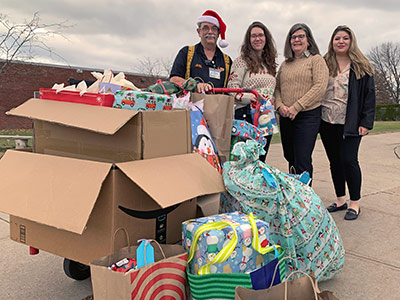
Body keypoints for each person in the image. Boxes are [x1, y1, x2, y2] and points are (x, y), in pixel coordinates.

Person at [321, 25, 375, 220]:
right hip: (326, 120)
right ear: (332, 41)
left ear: (351, 41)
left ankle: (354, 202)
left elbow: (369, 97)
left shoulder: (362, 66)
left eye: (345, 38)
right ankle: (340, 200)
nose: (341, 41)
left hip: (350, 122)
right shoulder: (324, 63)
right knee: (334, 161)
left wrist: (366, 122)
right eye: (337, 38)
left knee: (349, 160)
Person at [275, 23, 328, 182]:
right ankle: (293, 194)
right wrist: (280, 106)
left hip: (307, 116)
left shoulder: (316, 60)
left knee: (302, 158)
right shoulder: (285, 64)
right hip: (286, 116)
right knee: (290, 156)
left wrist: (296, 107)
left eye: (301, 36)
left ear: (308, 40)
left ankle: (304, 201)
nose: (296, 40)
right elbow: (277, 88)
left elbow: (320, 86)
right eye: (293, 37)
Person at [227, 21, 277, 161]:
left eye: (260, 35)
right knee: (244, 161)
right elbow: (232, 88)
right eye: (253, 36)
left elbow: (273, 88)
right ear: (249, 40)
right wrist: (251, 97)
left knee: (260, 159)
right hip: (246, 114)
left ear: (266, 38)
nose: (257, 39)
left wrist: (273, 99)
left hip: (266, 115)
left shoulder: (270, 64)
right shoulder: (241, 61)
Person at [169, 10, 232, 93]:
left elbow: (232, 88)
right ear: (199, 32)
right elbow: (174, 79)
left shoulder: (227, 61)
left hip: (218, 105)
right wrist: (195, 85)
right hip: (190, 104)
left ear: (218, 33)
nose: (210, 32)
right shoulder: (186, 53)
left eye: (214, 28)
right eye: (206, 28)